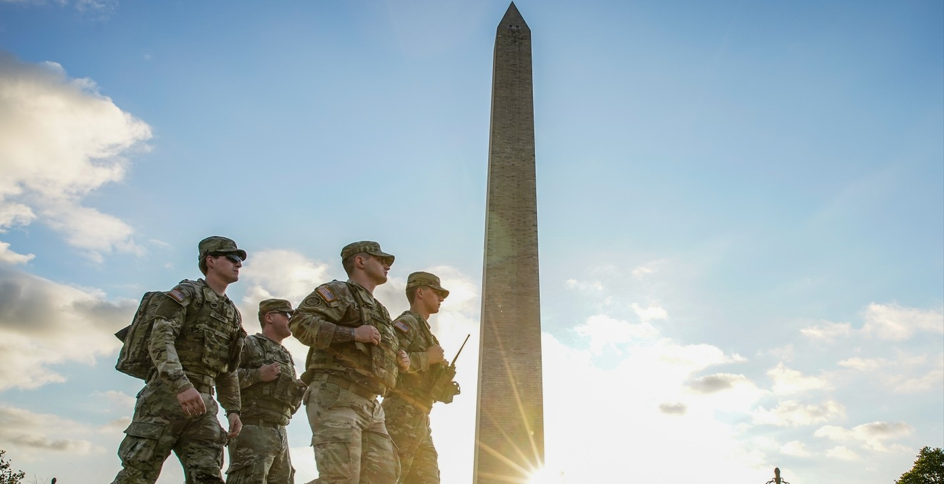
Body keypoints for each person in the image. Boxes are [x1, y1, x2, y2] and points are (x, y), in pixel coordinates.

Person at [112, 236, 247, 484]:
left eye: (240, 260)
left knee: (208, 476)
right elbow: (160, 340)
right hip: (165, 396)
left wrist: (234, 410)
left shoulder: (232, 313)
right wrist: (181, 385)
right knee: (138, 474)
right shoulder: (187, 293)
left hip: (204, 404)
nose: (238, 264)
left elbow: (229, 368)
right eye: (232, 258)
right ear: (210, 260)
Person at [289, 241, 410, 484]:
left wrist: (400, 360)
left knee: (383, 478)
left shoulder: (380, 310)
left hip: (371, 405)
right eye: (381, 259)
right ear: (360, 261)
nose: (387, 265)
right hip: (337, 396)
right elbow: (300, 323)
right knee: (340, 479)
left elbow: (376, 354)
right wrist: (352, 334)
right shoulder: (339, 291)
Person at [226, 299, 308, 484]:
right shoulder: (249, 344)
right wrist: (257, 375)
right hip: (253, 428)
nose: (292, 320)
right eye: (288, 315)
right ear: (269, 317)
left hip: (280, 431)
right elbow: (225, 377)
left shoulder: (286, 355)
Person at [382, 272, 449, 484]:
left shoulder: (427, 332)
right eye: (436, 292)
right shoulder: (406, 323)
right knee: (390, 476)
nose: (441, 298)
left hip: (421, 414)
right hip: (400, 412)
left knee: (427, 478)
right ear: (420, 292)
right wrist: (427, 358)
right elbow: (387, 360)